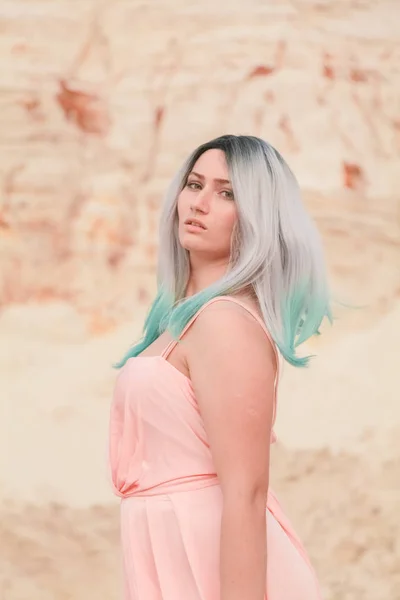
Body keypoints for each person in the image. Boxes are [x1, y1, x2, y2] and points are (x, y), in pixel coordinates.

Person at [109, 134, 331, 600]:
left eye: (227, 193)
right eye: (194, 185)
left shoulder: (225, 322)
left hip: (215, 567)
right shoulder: (186, 321)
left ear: (258, 217)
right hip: (171, 556)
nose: (200, 203)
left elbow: (247, 493)